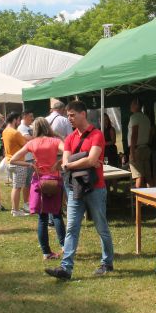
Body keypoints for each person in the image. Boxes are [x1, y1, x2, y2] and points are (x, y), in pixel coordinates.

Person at [45, 100, 113, 280]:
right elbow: (68, 161)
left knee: (101, 227)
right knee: (71, 228)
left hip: (95, 189)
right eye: (68, 115)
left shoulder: (97, 135)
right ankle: (65, 269)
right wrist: (83, 160)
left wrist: (74, 163)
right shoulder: (70, 138)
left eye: (72, 115)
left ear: (83, 114)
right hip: (74, 188)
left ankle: (107, 262)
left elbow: (90, 160)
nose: (69, 119)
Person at [11, 117, 65, 258]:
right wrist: (59, 162)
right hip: (54, 180)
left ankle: (46, 252)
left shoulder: (32, 143)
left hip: (39, 181)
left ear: (35, 128)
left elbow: (13, 159)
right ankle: (65, 247)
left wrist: (30, 164)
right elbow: (68, 151)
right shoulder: (55, 141)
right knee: (57, 215)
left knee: (42, 218)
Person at [2, 113, 29, 216]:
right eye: (18, 120)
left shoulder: (5, 131)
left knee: (15, 187)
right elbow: (26, 145)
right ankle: (16, 210)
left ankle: (14, 209)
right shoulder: (15, 133)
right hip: (18, 163)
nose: (19, 122)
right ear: (14, 120)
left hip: (9, 161)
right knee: (17, 188)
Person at [128, 97, 152, 188]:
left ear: (137, 105)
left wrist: (132, 151)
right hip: (146, 148)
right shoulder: (146, 118)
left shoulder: (134, 117)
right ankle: (152, 196)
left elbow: (134, 134)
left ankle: (137, 197)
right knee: (148, 176)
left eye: (132, 104)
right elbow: (151, 133)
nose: (130, 106)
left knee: (138, 175)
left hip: (137, 149)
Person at [16, 110, 35, 213]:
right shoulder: (21, 127)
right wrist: (39, 137)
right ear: (25, 116)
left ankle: (30, 202)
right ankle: (26, 203)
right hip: (26, 159)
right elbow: (28, 138)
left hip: (31, 158)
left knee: (31, 182)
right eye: (30, 116)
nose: (32, 118)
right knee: (27, 183)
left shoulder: (30, 127)